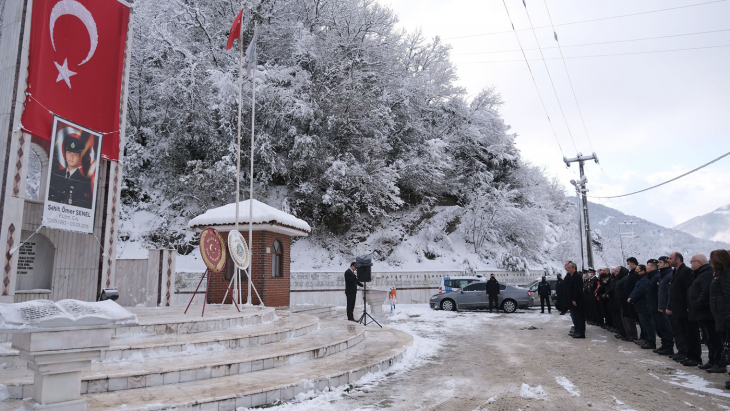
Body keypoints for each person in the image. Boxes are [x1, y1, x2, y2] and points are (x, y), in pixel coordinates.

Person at [688, 254, 721, 371]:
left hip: (706, 312)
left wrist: (697, 304)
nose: (690, 263)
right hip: (700, 313)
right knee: (708, 339)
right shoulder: (699, 274)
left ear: (699, 262)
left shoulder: (706, 274)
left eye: (692, 261)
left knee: (713, 338)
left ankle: (719, 362)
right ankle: (712, 360)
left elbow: (706, 291)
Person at [667, 251, 698, 365]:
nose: (668, 261)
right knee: (681, 332)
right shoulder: (675, 272)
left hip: (684, 309)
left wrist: (688, 306)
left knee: (690, 333)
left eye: (670, 259)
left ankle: (693, 356)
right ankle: (685, 353)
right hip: (677, 308)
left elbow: (689, 291)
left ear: (678, 259)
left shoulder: (686, 272)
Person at [48, 134, 93, 209]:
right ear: (65, 154)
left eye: (75, 154)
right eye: (69, 153)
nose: (71, 157)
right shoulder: (55, 175)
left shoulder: (85, 182)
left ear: (79, 157)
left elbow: (84, 205)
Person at [708, 249, 730, 387]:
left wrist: (727, 316)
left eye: (712, 259)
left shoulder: (726, 275)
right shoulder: (720, 274)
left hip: (726, 316)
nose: (710, 261)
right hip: (722, 315)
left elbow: (728, 297)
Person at [629, 263, 656, 349]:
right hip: (639, 305)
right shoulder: (640, 279)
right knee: (644, 324)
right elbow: (635, 290)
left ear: (643, 271)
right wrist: (631, 297)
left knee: (648, 324)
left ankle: (650, 341)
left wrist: (632, 299)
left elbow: (640, 291)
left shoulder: (644, 279)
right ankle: (647, 340)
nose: (636, 273)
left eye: (638, 271)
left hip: (644, 305)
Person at [655, 256, 675, 355]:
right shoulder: (662, 275)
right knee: (662, 328)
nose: (658, 264)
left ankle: (669, 347)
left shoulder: (669, 275)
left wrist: (667, 306)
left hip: (666, 307)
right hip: (662, 306)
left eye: (660, 262)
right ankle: (665, 345)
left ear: (667, 264)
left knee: (668, 328)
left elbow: (669, 293)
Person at [621, 258, 641, 343]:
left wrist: (632, 297)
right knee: (627, 318)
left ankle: (633, 335)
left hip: (632, 299)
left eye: (629, 264)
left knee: (632, 318)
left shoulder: (636, 274)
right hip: (627, 299)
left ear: (633, 264)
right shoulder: (631, 273)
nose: (628, 266)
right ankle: (629, 334)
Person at [610, 266, 629, 340]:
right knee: (619, 319)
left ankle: (626, 334)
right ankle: (622, 333)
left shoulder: (624, 279)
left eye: (617, 272)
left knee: (624, 320)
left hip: (622, 302)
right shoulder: (618, 279)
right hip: (617, 302)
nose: (615, 273)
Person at [569, 261, 586, 338]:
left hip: (578, 300)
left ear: (574, 268)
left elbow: (577, 289)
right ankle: (578, 330)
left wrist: (574, 299)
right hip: (575, 299)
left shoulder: (577, 276)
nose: (568, 269)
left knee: (579, 316)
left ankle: (581, 332)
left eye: (569, 267)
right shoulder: (573, 276)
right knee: (576, 316)